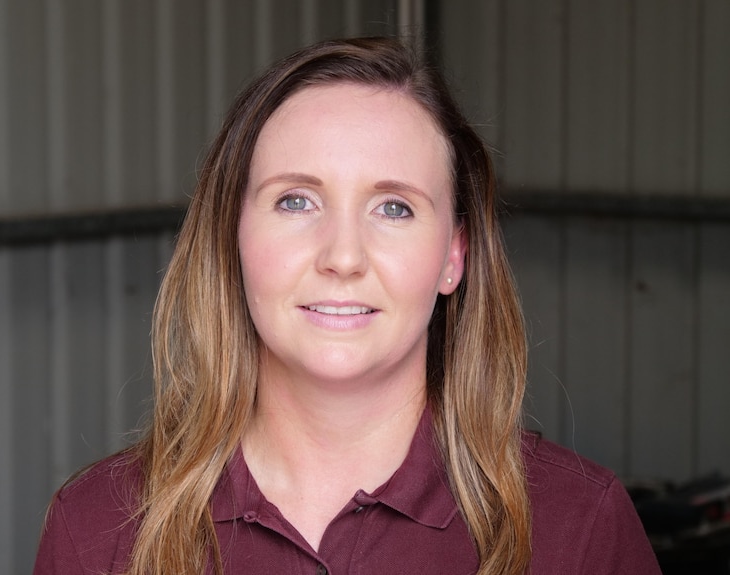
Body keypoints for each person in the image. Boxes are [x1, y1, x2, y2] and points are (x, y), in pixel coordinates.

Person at [33, 37, 660, 575]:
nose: (342, 255)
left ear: (453, 256)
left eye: (394, 207)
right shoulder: (97, 533)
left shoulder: (580, 529)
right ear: (234, 236)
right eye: (296, 201)